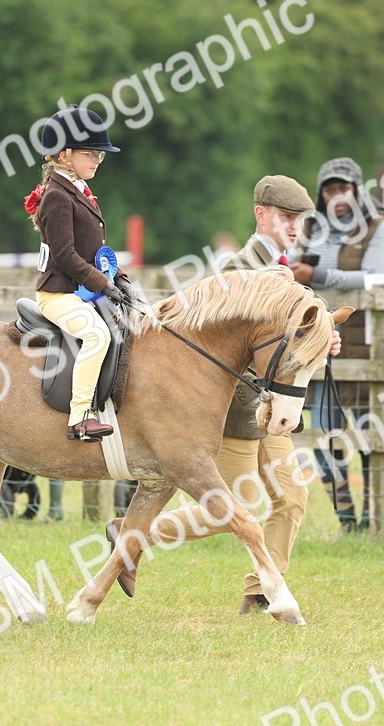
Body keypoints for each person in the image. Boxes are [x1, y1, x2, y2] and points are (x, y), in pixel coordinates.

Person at [107, 175, 343, 613]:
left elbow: (291, 334)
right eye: (286, 218)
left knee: (292, 497)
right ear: (261, 214)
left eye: (300, 220)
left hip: (272, 404)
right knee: (231, 508)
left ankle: (260, 591)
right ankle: (133, 533)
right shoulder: (239, 269)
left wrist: (321, 339)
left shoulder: (283, 268)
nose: (295, 227)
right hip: (237, 408)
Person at [292, 157, 384, 533]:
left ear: (357, 191)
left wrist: (319, 275)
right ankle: (347, 521)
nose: (337, 197)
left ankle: (375, 520)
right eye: (329, 190)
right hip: (322, 348)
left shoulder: (380, 228)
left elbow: (374, 277)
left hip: (370, 348)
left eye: (343, 188)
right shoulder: (315, 229)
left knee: (368, 438)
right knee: (326, 436)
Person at [26, 104, 130, 441]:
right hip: (58, 294)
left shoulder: (80, 191)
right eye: (91, 153)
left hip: (81, 290)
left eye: (100, 155)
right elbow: (66, 257)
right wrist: (103, 283)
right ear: (63, 154)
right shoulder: (57, 196)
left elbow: (93, 250)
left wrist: (119, 278)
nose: (98, 160)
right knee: (97, 335)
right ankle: (80, 417)